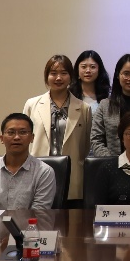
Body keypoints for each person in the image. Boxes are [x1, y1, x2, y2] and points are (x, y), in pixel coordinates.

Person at [25, 54, 92, 203]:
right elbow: (25, 140)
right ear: (46, 76)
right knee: (39, 215)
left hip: (72, 176)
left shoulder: (84, 108)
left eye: (64, 73)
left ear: (71, 76)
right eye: (53, 73)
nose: (58, 78)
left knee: (72, 217)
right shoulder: (32, 105)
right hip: (38, 172)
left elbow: (85, 146)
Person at [0, 113, 56, 212]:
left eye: (23, 132)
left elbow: (39, 212)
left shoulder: (44, 172)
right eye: (11, 132)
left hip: (27, 223)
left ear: (32, 138)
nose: (17, 137)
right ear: (2, 138)